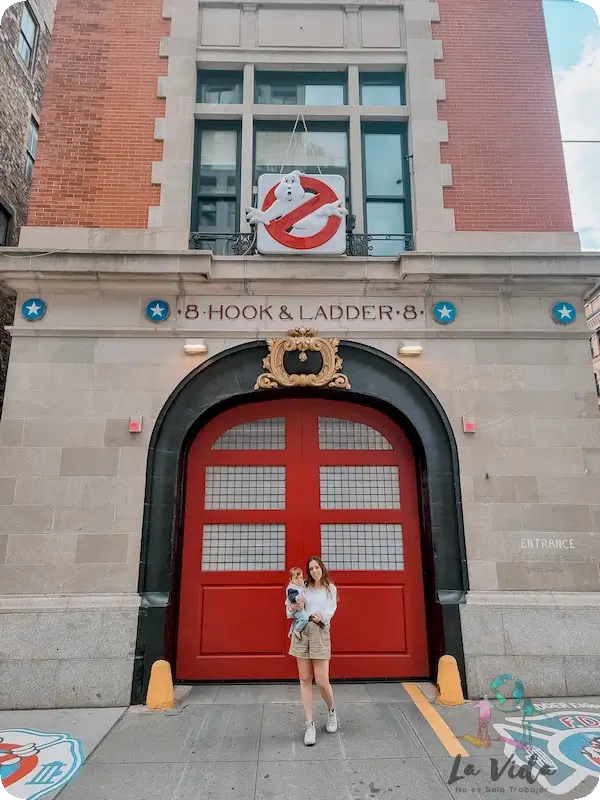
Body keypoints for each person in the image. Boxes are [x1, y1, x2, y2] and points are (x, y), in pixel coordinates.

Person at [286, 555, 338, 746]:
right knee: (305, 679)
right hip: (301, 632)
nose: (315, 571)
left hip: (319, 631)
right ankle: (310, 725)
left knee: (322, 681)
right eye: (311, 568)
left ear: (322, 568)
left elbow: (330, 611)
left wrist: (321, 616)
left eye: (317, 567)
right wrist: (293, 605)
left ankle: (331, 711)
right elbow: (289, 608)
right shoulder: (303, 587)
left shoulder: (330, 588)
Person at [286, 567, 310, 640]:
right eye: (296, 578)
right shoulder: (292, 588)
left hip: (299, 608)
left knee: (297, 620)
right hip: (295, 609)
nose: (299, 580)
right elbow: (291, 597)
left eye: (301, 577)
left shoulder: (301, 584)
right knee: (305, 618)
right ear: (291, 580)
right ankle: (297, 630)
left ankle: (291, 631)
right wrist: (297, 598)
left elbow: (306, 584)